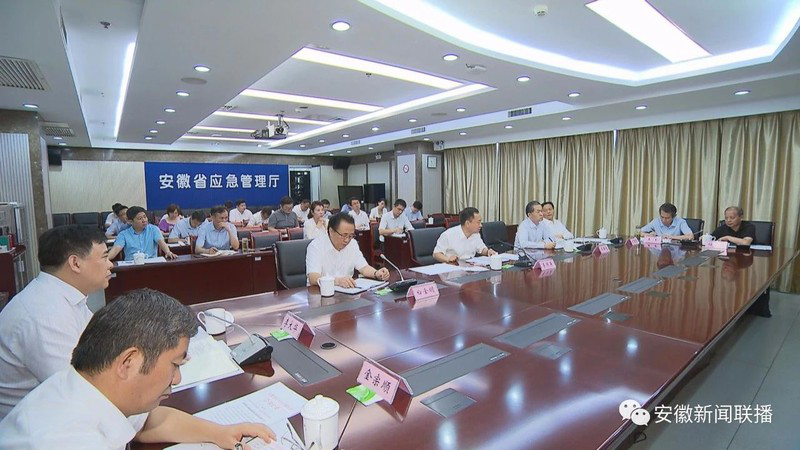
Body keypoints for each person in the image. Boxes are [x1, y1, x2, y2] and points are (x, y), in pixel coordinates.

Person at [0, 289, 275, 448]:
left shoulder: (89, 387)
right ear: (128, 362)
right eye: (175, 364)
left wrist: (219, 433)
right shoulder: (62, 441)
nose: (177, 379)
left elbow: (149, 421)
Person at [0, 225, 112, 419]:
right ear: (75, 263)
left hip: (62, 411)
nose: (110, 264)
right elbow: (80, 390)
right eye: (104, 257)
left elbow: (103, 345)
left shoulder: (62, 297)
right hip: (37, 426)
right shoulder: (43, 314)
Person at [306, 213, 390, 288]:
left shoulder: (352, 244)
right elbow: (313, 278)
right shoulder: (316, 246)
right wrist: (337, 281)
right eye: (343, 235)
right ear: (331, 231)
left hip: (347, 292)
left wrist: (376, 273)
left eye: (350, 236)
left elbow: (364, 267)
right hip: (321, 293)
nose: (347, 240)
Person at [108, 207, 177, 261]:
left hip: (151, 264)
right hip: (132, 266)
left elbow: (161, 242)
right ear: (130, 221)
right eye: (140, 218)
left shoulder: (153, 229)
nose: (144, 220)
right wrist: (105, 259)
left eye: (145, 217)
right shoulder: (123, 234)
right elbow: (115, 250)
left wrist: (168, 252)